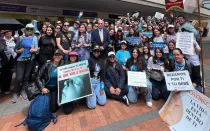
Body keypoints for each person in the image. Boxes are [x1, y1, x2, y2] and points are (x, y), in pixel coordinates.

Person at [36, 49, 75, 114]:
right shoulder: (47, 64)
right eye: (55, 55)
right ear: (53, 56)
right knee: (45, 106)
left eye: (59, 55)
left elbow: (71, 70)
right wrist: (42, 88)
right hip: (47, 87)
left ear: (62, 57)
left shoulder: (63, 64)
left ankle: (58, 102)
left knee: (53, 109)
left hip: (55, 88)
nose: (57, 56)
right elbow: (38, 76)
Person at [12, 24, 39, 103]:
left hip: (30, 60)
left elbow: (37, 49)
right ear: (25, 30)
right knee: (19, 77)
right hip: (21, 60)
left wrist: (34, 50)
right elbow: (15, 49)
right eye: (28, 29)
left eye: (31, 29)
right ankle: (15, 93)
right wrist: (19, 51)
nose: (29, 30)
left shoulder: (34, 38)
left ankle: (24, 91)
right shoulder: (21, 38)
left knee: (26, 77)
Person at [0, 30, 16, 94]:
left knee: (10, 73)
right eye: (7, 32)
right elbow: (1, 49)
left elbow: (16, 48)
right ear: (4, 33)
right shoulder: (2, 39)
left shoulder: (14, 39)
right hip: (4, 58)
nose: (9, 33)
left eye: (10, 32)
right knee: (4, 73)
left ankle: (7, 88)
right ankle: (3, 88)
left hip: (12, 58)